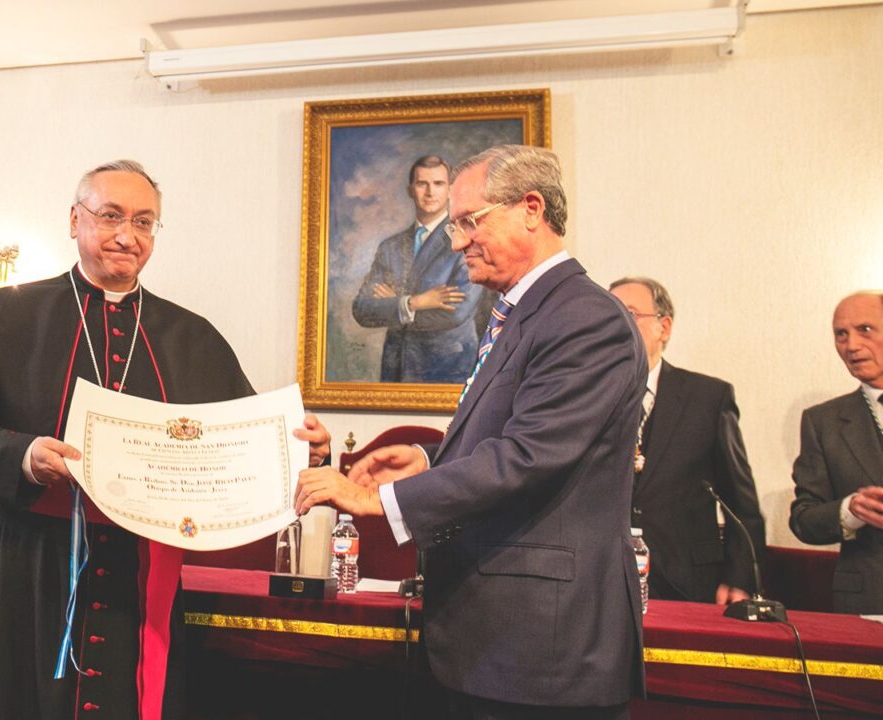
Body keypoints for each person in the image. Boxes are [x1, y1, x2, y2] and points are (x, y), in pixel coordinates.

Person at [0, 160, 331, 720]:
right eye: (110, 216)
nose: (126, 235)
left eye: (143, 222)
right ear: (74, 220)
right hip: (23, 560)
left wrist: (306, 449)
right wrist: (22, 455)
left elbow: (247, 446)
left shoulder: (192, 336)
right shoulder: (7, 313)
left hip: (140, 568)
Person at [298, 145, 645, 719]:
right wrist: (428, 460)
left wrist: (375, 499)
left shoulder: (585, 317)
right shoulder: (520, 311)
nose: (457, 242)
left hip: (541, 653)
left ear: (531, 208)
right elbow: (511, 439)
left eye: (468, 222)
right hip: (500, 644)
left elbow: (528, 457)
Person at [609, 277, 766, 604]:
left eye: (630, 314)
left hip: (688, 581)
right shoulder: (591, 400)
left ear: (663, 327)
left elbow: (741, 502)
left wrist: (740, 579)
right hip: (606, 582)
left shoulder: (708, 398)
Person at [351, 155, 491, 383]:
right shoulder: (391, 247)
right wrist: (414, 302)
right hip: (395, 371)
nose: (430, 192)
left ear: (450, 190)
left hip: (447, 371)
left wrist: (395, 304)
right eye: (422, 183)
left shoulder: (464, 241)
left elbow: (456, 312)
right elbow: (362, 309)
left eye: (438, 184)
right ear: (410, 190)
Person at [790, 291, 883, 614]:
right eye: (840, 334)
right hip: (868, 603)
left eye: (865, 330)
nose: (852, 345)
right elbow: (803, 520)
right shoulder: (823, 422)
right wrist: (851, 511)